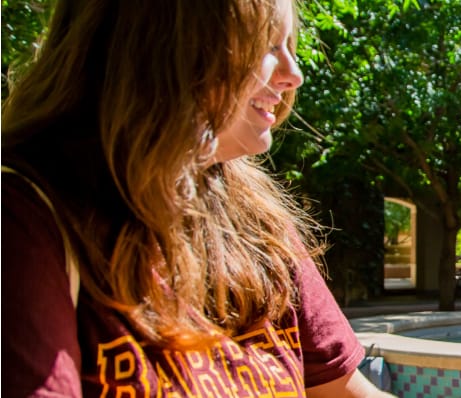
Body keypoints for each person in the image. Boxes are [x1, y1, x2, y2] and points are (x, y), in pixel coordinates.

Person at [0, 0, 390, 396]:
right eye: (267, 46)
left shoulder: (254, 221)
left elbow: (342, 390)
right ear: (167, 46)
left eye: (288, 44)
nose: (295, 75)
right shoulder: (24, 221)